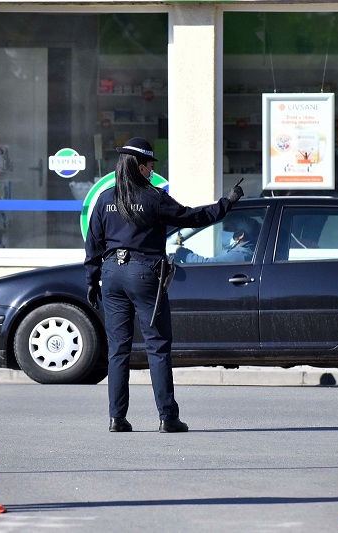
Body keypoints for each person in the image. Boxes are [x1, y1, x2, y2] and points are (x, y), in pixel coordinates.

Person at [84, 137, 244, 433]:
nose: (152, 171)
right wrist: (228, 202)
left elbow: (92, 243)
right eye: (149, 165)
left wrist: (92, 280)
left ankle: (116, 418)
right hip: (144, 274)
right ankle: (167, 417)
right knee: (157, 347)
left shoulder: (105, 199)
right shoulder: (153, 197)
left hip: (112, 275)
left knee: (118, 350)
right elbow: (192, 217)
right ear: (140, 166)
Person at [174, 213, 260, 264]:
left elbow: (207, 264)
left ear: (240, 235)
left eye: (226, 229)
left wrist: (183, 253)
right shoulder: (249, 250)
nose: (223, 233)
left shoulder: (240, 254)